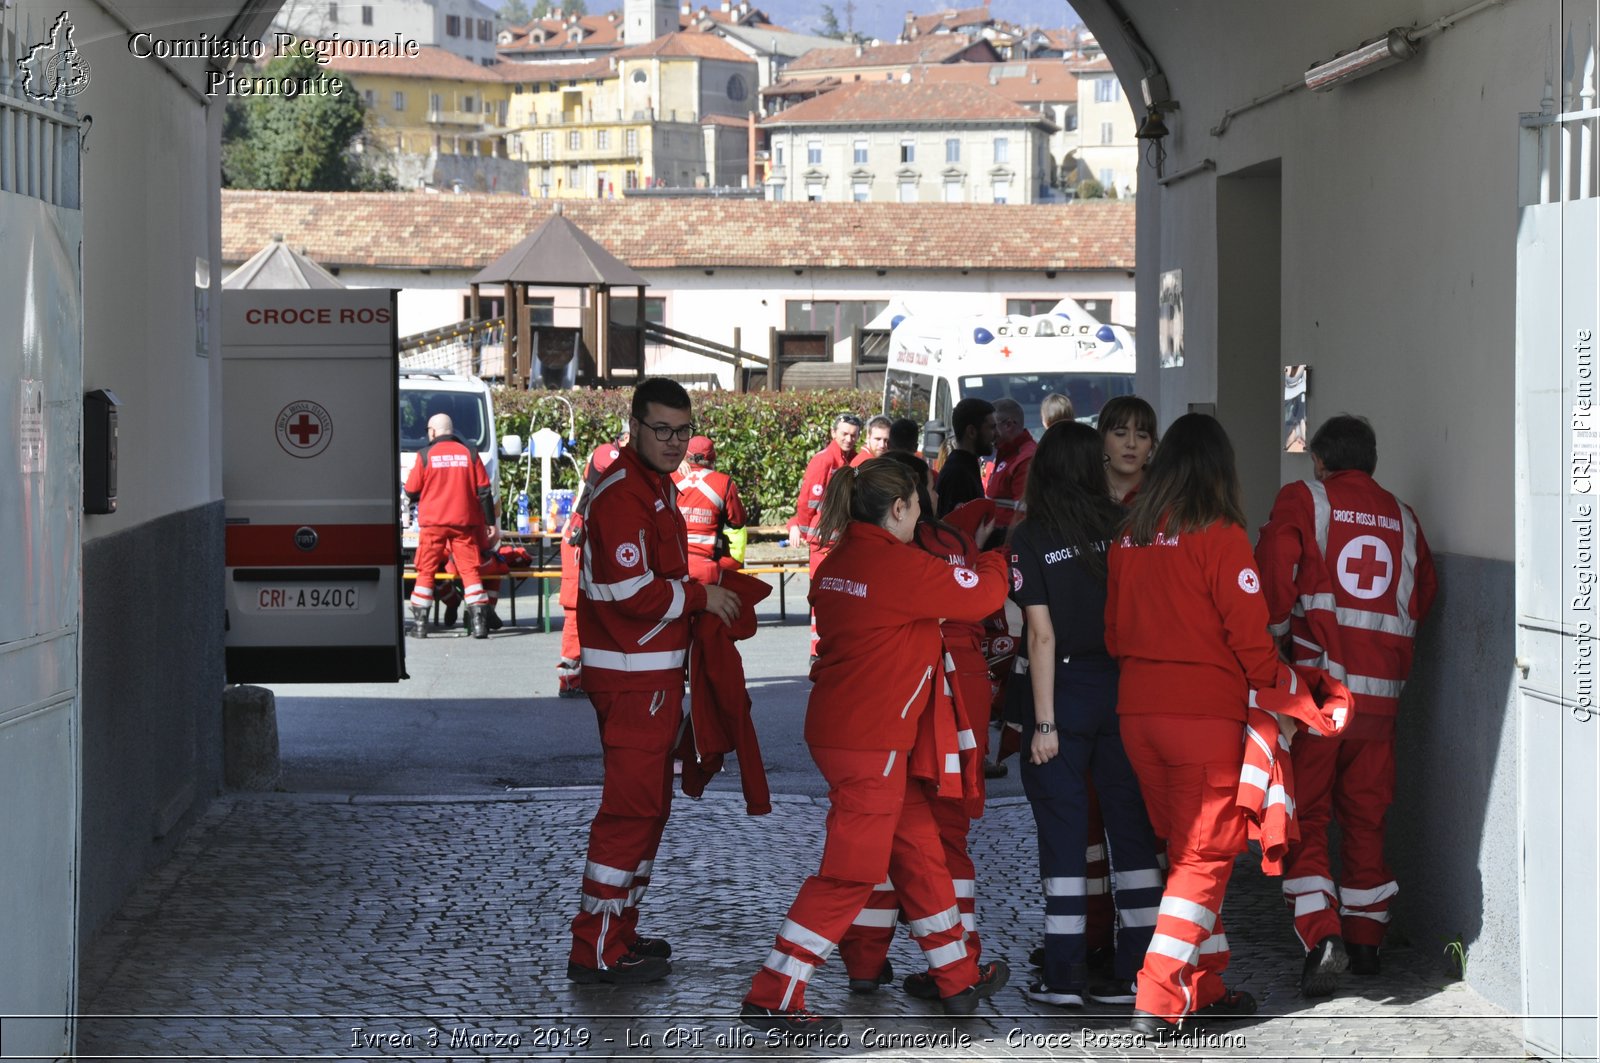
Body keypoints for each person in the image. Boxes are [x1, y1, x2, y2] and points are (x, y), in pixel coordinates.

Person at [741, 460, 1010, 1036]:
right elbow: (984, 594)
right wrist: (992, 553)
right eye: (919, 504)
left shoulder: (840, 561)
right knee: (850, 874)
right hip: (876, 741)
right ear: (899, 509)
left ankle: (958, 977)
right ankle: (774, 994)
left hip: (850, 732)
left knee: (919, 853)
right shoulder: (898, 567)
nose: (923, 514)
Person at [1105, 412, 1276, 1037]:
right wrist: (1283, 693)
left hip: (1137, 713)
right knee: (1206, 858)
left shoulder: (1132, 535)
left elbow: (1115, 633)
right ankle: (1157, 994)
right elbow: (1251, 637)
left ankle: (1205, 988)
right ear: (1220, 469)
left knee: (1186, 856)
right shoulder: (1221, 534)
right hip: (1202, 715)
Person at [568, 378, 742, 986]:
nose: (674, 442)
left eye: (682, 429)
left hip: (652, 680)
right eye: (661, 429)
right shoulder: (623, 495)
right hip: (632, 682)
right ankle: (594, 949)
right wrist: (701, 594)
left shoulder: (656, 486)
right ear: (634, 426)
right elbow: (627, 590)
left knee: (650, 810)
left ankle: (620, 930)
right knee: (630, 812)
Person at [1255, 414, 1436, 994]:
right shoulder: (1405, 519)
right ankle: (1366, 944)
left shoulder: (1304, 498)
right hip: (1381, 707)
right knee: (1366, 819)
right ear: (1372, 461)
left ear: (1321, 461)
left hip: (1319, 700)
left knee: (1306, 820)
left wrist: (1276, 634)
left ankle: (1322, 933)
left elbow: (1276, 577)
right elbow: (1422, 594)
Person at [1009, 422, 1164, 1009]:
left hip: (1064, 692)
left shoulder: (1030, 535)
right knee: (1132, 835)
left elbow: (1040, 636)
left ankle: (1065, 975)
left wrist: (1043, 724)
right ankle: (1139, 972)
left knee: (1065, 837)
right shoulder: (1126, 526)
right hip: (1123, 691)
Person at [837, 451, 1001, 1002]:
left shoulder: (850, 554)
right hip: (949, 695)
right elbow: (983, 602)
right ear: (908, 501)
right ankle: (961, 962)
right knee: (945, 835)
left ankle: (865, 960)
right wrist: (999, 558)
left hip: (888, 704)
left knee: (878, 838)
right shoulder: (942, 548)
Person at [404, 413, 495, 639]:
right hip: (464, 523)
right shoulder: (471, 454)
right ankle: (479, 625)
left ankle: (420, 626)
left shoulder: (425, 455)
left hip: (433, 524)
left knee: (426, 571)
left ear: (432, 431)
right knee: (469, 571)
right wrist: (490, 522)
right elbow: (484, 491)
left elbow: (411, 491)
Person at [556, 425, 628, 697]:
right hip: (579, 540)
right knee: (576, 609)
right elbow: (610, 470)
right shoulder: (607, 453)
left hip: (594, 540)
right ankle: (570, 678)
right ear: (625, 436)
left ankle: (594, 675)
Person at [792, 412, 862, 656]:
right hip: (823, 543)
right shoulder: (823, 461)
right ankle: (817, 650)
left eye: (853, 435)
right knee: (823, 597)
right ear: (834, 433)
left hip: (843, 540)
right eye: (844, 433)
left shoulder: (854, 460)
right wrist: (803, 530)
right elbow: (806, 502)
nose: (848, 438)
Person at [672, 434, 747, 586]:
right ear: (712, 459)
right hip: (706, 565)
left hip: (674, 563)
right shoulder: (723, 482)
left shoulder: (670, 478)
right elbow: (738, 521)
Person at [935, 398, 995, 517]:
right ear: (971, 432)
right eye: (991, 427)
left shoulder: (966, 467)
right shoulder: (958, 474)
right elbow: (956, 529)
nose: (996, 434)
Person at [985, 397, 1036, 530]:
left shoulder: (1025, 460)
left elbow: (1024, 518)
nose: (990, 434)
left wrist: (1006, 549)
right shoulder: (1007, 453)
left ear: (1008, 425)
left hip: (1007, 544)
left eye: (993, 427)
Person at [1099, 396, 1159, 506]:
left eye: (1142, 436)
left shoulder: (1163, 494)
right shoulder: (1084, 491)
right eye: (1120, 434)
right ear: (1101, 438)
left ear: (1151, 444)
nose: (1131, 444)